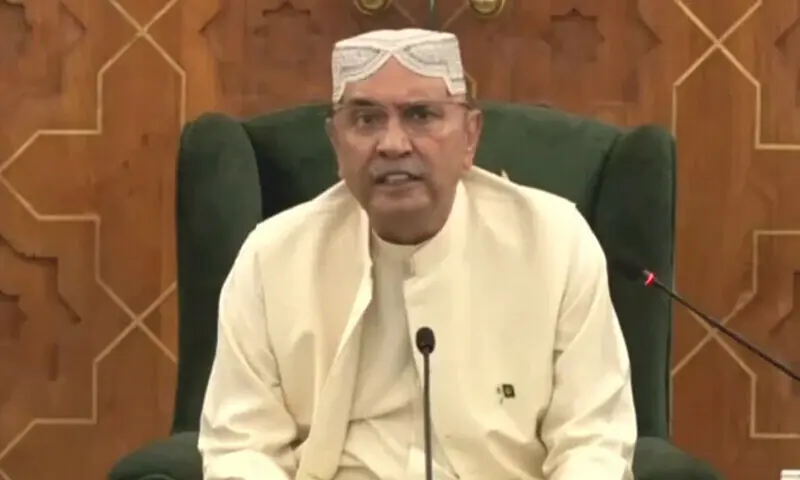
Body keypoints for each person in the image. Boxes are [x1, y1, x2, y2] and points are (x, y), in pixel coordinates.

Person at [198, 28, 636, 480]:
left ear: (470, 137)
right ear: (336, 143)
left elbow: (593, 440)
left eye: (421, 115)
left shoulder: (555, 243)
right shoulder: (271, 258)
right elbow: (241, 445)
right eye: (365, 119)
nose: (393, 144)